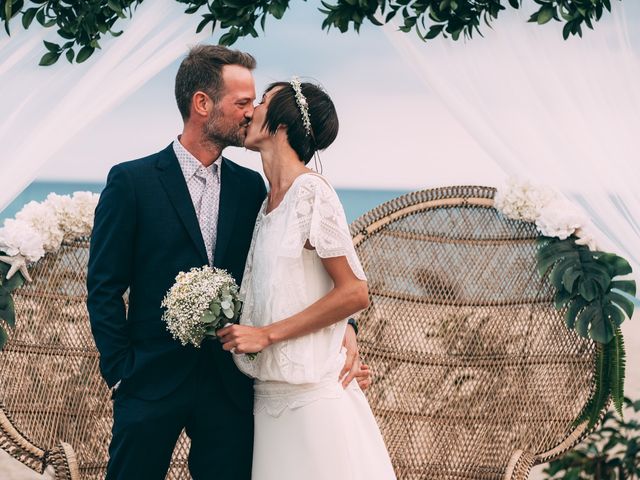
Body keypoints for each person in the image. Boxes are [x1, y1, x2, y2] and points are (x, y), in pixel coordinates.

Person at [87, 45, 367, 480]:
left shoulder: (252, 187)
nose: (249, 113)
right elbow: (104, 287)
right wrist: (121, 373)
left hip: (231, 387)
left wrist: (344, 330)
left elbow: (307, 267)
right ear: (202, 104)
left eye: (255, 103)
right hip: (149, 381)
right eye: (242, 103)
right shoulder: (132, 182)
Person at [217, 79, 396, 480]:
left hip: (311, 405)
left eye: (261, 102)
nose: (250, 110)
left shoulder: (310, 194)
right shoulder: (266, 204)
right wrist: (342, 331)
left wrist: (266, 335)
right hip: (269, 403)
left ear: (281, 125)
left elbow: (354, 291)